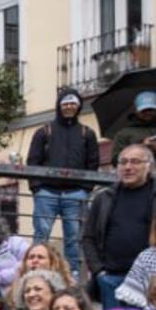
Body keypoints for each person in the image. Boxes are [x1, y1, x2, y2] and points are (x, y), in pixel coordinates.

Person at [81, 142, 156, 309]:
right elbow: (88, 237)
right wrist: (99, 271)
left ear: (149, 166)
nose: (128, 167)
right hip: (111, 279)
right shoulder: (104, 197)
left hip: (152, 279)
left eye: (135, 162)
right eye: (123, 162)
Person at [27, 88, 102, 277]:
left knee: (74, 239)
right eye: (65, 104)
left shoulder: (87, 133)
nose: (69, 107)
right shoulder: (44, 131)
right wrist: (37, 188)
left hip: (76, 194)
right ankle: (36, 273)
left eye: (73, 104)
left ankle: (73, 275)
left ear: (78, 107)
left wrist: (86, 189)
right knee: (41, 236)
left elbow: (93, 163)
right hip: (46, 193)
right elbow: (32, 161)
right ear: (59, 106)